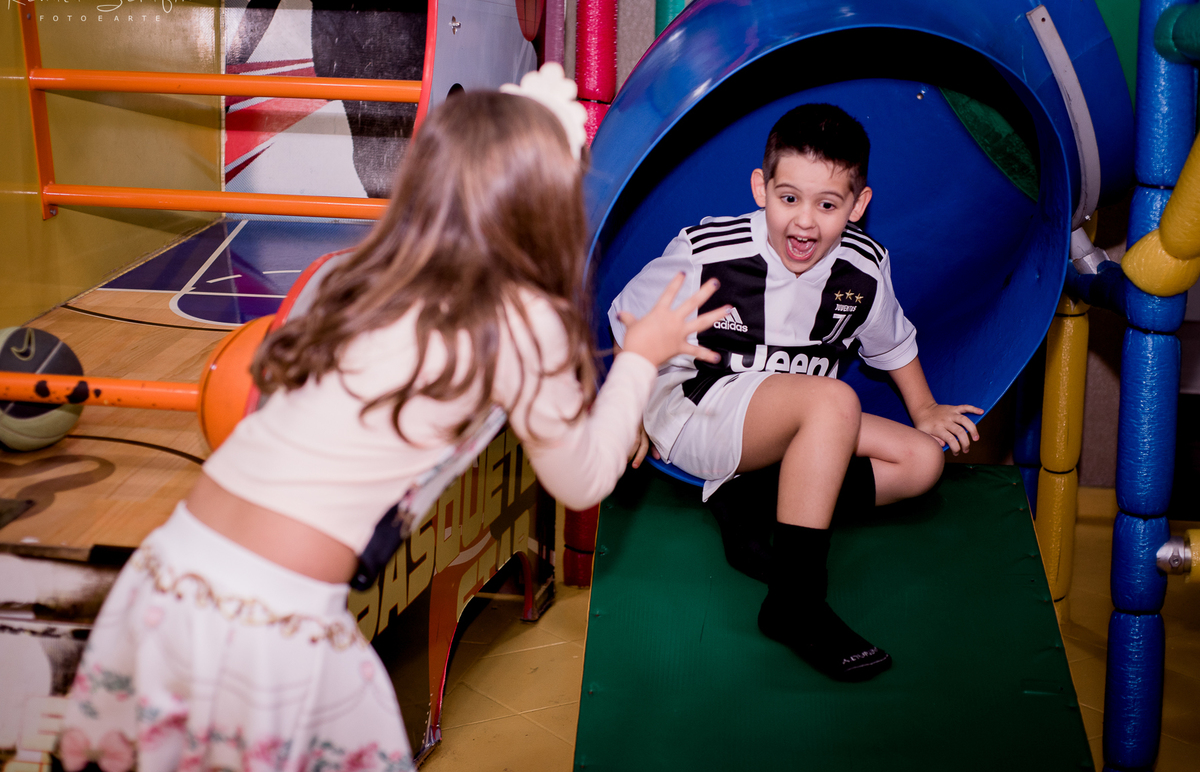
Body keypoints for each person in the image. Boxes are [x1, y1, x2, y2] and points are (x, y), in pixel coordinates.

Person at [56, 65, 728, 772]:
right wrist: (640, 356)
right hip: (269, 619)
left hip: (169, 573)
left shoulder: (360, 274)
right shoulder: (522, 321)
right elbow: (584, 478)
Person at [609, 103, 982, 683]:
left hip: (792, 423)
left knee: (921, 462)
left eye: (827, 205)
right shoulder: (713, 250)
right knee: (832, 399)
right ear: (762, 188)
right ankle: (795, 602)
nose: (804, 223)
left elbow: (892, 341)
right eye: (789, 199)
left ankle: (748, 503)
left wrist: (925, 408)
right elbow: (629, 314)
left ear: (858, 206)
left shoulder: (863, 267)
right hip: (696, 409)